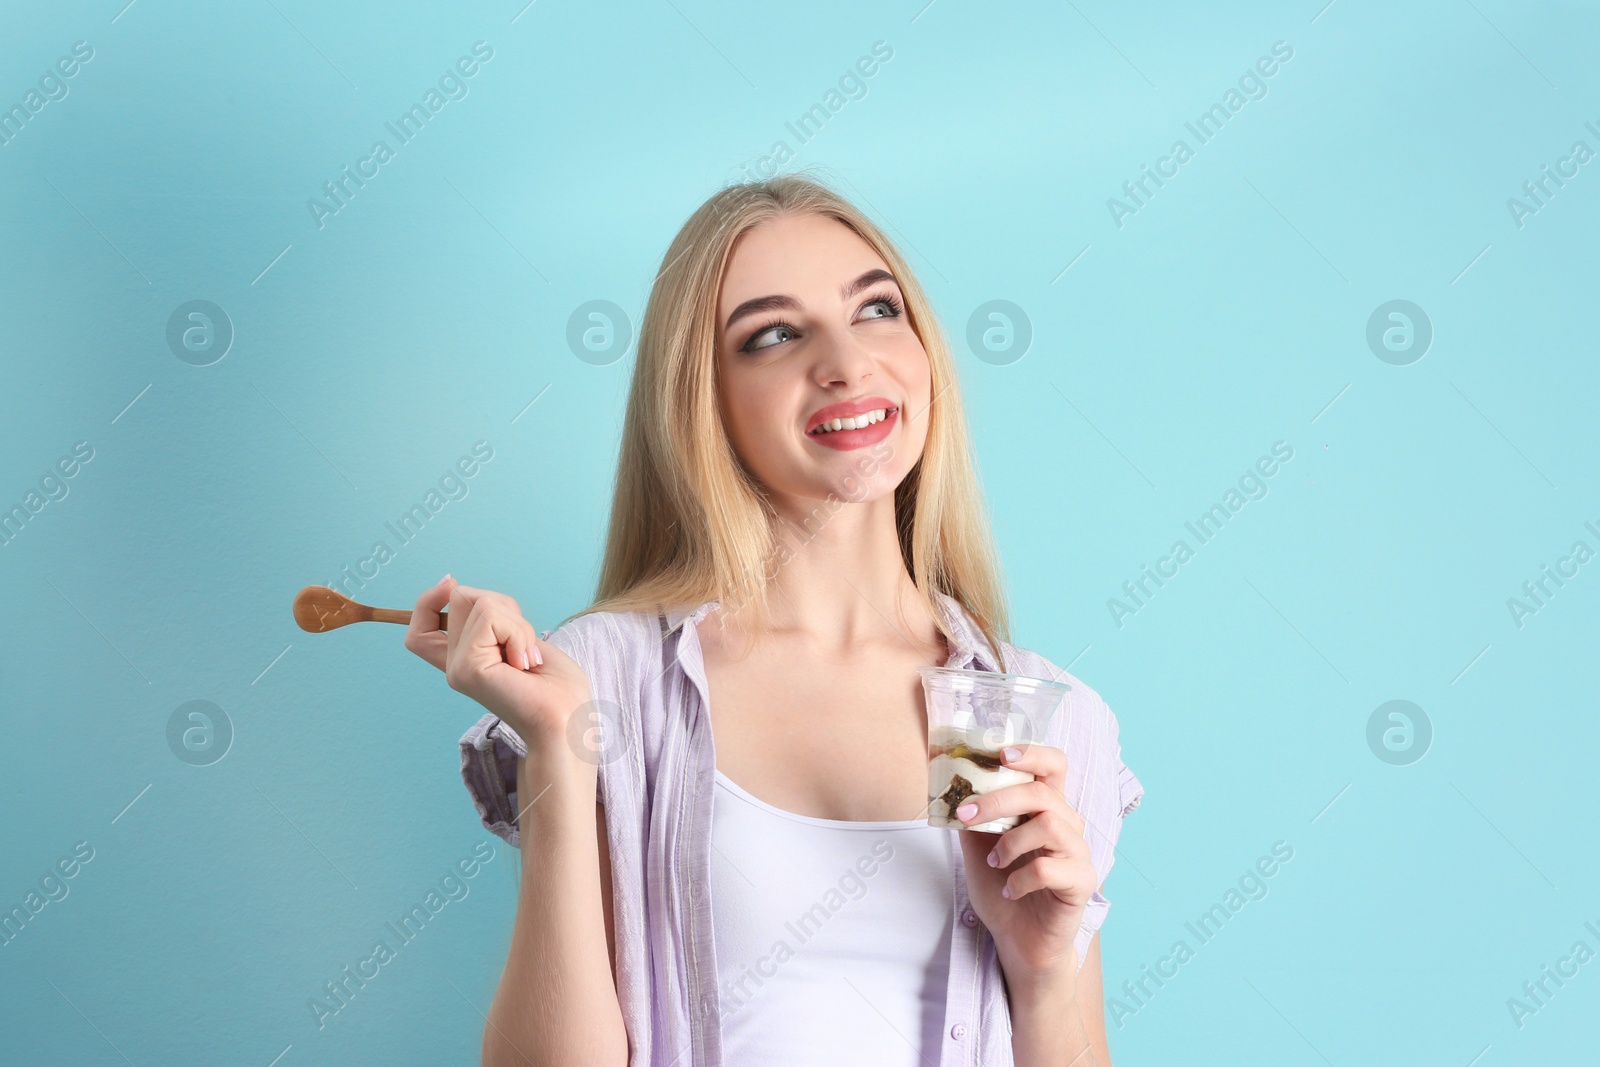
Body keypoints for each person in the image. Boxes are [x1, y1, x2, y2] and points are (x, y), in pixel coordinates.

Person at [403, 173, 1144, 1066]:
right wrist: (558, 744)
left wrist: (1042, 972)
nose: (845, 362)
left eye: (877, 309)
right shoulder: (604, 679)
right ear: (701, 397)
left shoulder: (1047, 717)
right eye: (774, 334)